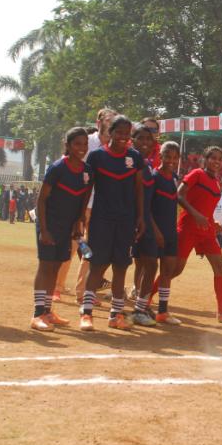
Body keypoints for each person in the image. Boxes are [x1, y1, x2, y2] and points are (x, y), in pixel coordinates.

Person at [80, 115, 146, 331]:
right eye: (119, 133)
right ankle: (87, 313)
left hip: (126, 221)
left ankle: (115, 315)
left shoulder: (134, 158)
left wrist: (140, 217)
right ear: (110, 132)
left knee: (121, 267)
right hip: (101, 220)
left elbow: (138, 189)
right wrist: (82, 214)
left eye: (127, 134)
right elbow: (88, 188)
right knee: (97, 266)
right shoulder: (97, 157)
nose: (123, 137)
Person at [30, 127, 92, 331]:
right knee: (46, 266)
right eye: (77, 144)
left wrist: (78, 224)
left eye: (84, 144)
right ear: (68, 145)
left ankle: (47, 310)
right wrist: (44, 230)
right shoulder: (57, 168)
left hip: (67, 226)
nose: (82, 148)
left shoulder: (86, 171)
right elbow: (41, 200)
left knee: (56, 267)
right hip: (50, 224)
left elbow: (82, 203)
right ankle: (37, 314)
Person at [170, 146, 222, 322]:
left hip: (207, 229)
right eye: (213, 158)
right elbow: (179, 195)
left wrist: (212, 222)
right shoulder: (196, 174)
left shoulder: (216, 181)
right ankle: (145, 298)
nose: (216, 161)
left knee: (219, 266)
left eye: (220, 159)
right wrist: (196, 214)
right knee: (175, 270)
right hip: (188, 227)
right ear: (205, 159)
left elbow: (206, 206)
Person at [75, 108, 115, 304]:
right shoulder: (88, 142)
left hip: (100, 204)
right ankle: (58, 289)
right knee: (70, 246)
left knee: (92, 248)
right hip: (82, 201)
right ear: (99, 123)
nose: (111, 125)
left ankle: (84, 291)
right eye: (108, 121)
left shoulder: (115, 148)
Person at [128, 123, 165, 325]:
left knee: (147, 263)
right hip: (138, 221)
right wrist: (150, 223)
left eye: (149, 139)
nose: (145, 142)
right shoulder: (132, 162)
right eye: (141, 138)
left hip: (145, 220)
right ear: (132, 140)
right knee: (145, 263)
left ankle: (140, 307)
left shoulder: (148, 164)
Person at [149, 141, 182, 324]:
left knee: (167, 270)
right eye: (167, 156)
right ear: (160, 157)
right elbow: (147, 208)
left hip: (170, 232)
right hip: (155, 234)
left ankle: (163, 311)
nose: (171, 160)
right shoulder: (154, 177)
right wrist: (156, 231)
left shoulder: (174, 178)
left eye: (174, 157)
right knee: (148, 270)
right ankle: (142, 306)